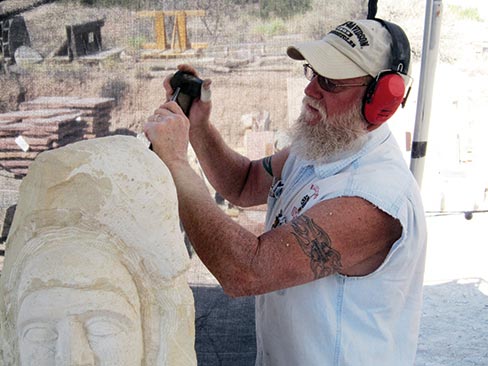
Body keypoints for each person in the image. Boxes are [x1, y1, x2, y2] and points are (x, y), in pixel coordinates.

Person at [145, 19, 427, 366]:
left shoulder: (374, 200)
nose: (310, 92)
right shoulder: (324, 145)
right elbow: (244, 182)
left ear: (381, 99)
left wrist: (176, 163)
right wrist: (200, 128)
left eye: (330, 82)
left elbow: (246, 271)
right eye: (312, 74)